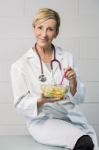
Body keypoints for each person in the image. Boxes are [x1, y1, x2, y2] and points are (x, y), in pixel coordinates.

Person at [11, 8, 99, 150]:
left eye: (50, 29)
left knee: (89, 141)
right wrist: (42, 100)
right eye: (40, 28)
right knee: (84, 142)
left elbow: (80, 99)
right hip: (44, 121)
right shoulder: (20, 65)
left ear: (56, 33)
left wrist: (73, 82)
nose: (44, 34)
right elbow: (20, 104)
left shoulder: (67, 57)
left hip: (71, 117)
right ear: (33, 29)